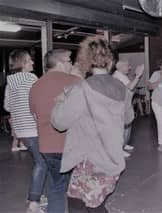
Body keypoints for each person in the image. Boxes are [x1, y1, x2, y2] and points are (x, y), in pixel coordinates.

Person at [51, 36, 131, 213]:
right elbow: (128, 119)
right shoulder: (122, 89)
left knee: (80, 206)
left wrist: (60, 102)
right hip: (113, 158)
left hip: (90, 162)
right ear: (110, 61)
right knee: (89, 203)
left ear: (86, 62)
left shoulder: (81, 89)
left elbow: (59, 123)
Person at [29, 49, 81, 213]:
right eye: (69, 61)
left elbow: (35, 116)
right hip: (72, 145)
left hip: (47, 147)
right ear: (60, 63)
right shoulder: (75, 81)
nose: (71, 64)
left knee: (56, 188)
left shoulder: (35, 85)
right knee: (79, 188)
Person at [4, 49, 47, 213]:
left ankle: (34, 195)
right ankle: (34, 203)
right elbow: (40, 99)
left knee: (39, 162)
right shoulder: (31, 78)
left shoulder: (10, 82)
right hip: (33, 128)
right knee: (42, 164)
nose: (32, 63)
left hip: (21, 131)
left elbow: (7, 106)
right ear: (22, 63)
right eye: (29, 60)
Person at [113, 60, 144, 156]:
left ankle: (124, 144)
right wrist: (138, 75)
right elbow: (130, 87)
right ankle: (119, 149)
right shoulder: (118, 76)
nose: (130, 68)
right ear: (121, 67)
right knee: (122, 128)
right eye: (128, 66)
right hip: (120, 106)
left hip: (125, 104)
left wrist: (136, 76)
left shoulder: (121, 75)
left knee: (127, 126)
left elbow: (131, 85)